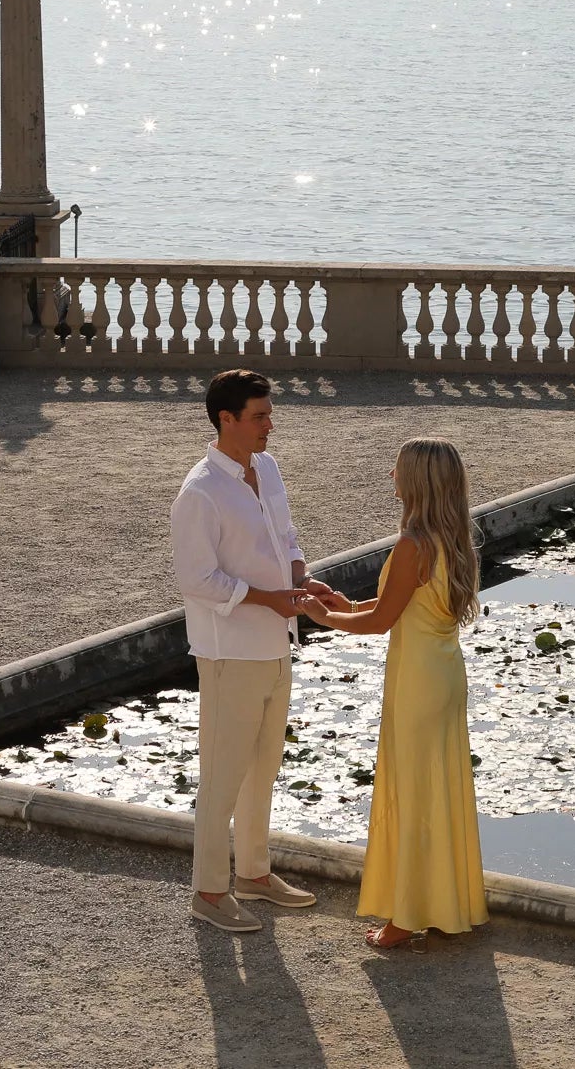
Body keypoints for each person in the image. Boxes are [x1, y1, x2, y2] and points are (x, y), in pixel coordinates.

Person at [300, 438, 489, 949]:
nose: (391, 476)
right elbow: (398, 606)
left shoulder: (412, 545)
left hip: (417, 681)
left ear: (417, 482)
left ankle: (405, 919)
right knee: (439, 787)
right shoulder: (452, 538)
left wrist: (321, 618)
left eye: (399, 469)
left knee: (412, 792)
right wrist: (343, 603)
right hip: (444, 672)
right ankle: (450, 905)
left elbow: (383, 621)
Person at [170, 368, 335, 933]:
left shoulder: (266, 468)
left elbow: (286, 538)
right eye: (260, 415)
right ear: (227, 420)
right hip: (228, 653)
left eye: (269, 413)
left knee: (264, 766)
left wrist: (300, 580)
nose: (270, 424)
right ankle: (209, 892)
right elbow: (197, 580)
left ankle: (255, 874)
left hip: (276, 643)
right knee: (222, 776)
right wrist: (269, 598)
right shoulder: (199, 493)